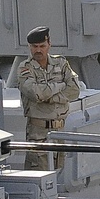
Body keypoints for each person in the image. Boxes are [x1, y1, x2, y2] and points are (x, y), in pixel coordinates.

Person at [17, 26, 81, 170]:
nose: (38, 50)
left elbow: (74, 91)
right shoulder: (25, 68)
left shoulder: (61, 63)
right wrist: (59, 86)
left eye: (42, 46)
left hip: (61, 130)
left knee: (62, 173)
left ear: (49, 45)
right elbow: (35, 93)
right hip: (38, 131)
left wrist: (49, 97)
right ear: (29, 47)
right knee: (39, 173)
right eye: (34, 46)